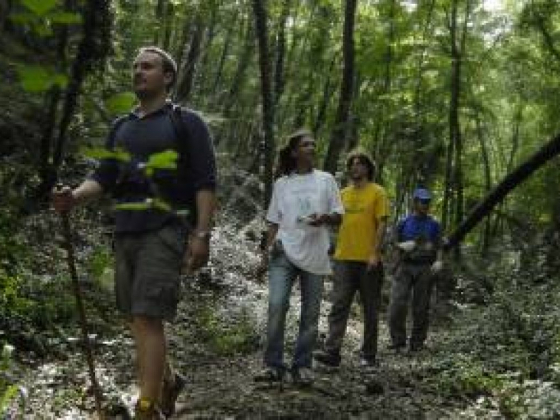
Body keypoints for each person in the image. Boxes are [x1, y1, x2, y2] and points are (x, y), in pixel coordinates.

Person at [52, 46, 217, 419]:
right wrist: (73, 197)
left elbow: (206, 182)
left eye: (148, 66)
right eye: (135, 66)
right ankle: (169, 381)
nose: (139, 71)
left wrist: (202, 234)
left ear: (168, 77)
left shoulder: (186, 123)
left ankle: (147, 407)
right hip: (125, 229)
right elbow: (104, 177)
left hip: (166, 228)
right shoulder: (121, 127)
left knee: (146, 315)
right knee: (136, 316)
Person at [255, 129, 344, 385]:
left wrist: (325, 217)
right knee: (277, 305)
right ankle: (273, 365)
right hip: (283, 250)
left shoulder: (326, 180)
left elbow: (340, 215)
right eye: (306, 144)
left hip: (315, 254)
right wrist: (263, 257)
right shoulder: (283, 184)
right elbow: (273, 222)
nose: (312, 148)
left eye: (314, 144)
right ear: (294, 152)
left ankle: (302, 366)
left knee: (310, 313)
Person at [313, 148, 389, 369]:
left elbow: (382, 223)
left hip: (368, 260)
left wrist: (375, 252)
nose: (355, 167)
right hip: (344, 258)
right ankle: (332, 352)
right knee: (339, 305)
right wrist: (322, 219)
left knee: (370, 309)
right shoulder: (343, 194)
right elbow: (336, 219)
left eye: (360, 163)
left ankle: (369, 355)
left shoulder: (378, 192)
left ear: (367, 168)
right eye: (352, 164)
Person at [387, 187, 443, 353]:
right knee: (397, 303)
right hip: (405, 265)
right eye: (422, 201)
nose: (425, 205)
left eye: (427, 202)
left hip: (425, 267)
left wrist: (439, 261)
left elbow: (440, 245)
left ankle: (417, 342)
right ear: (415, 202)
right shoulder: (404, 222)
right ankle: (398, 341)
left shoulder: (434, 224)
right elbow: (392, 242)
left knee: (421, 306)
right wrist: (401, 246)